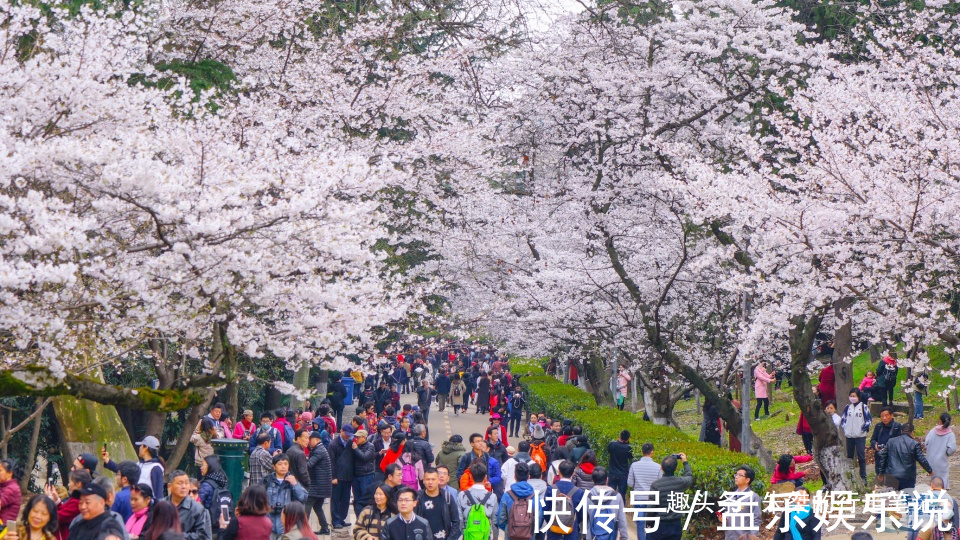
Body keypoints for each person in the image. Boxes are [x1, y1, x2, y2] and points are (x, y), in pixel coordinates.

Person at [103, 436, 166, 500]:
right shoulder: (139, 464)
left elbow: (158, 494)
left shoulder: (156, 468)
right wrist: (107, 461)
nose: (139, 448)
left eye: (141, 446)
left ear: (146, 448)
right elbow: (123, 471)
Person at [648, 453, 693, 540]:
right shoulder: (681, 482)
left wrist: (649, 523)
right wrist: (685, 462)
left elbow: (651, 508)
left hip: (659, 525)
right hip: (675, 524)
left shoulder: (656, 485)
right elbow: (690, 477)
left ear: (661, 468)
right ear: (676, 468)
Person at [877, 423, 932, 490]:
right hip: (907, 477)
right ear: (912, 432)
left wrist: (881, 473)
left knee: (892, 498)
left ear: (901, 431)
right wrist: (930, 470)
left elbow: (883, 458)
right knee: (907, 497)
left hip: (891, 475)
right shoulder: (914, 444)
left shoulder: (891, 441)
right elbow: (921, 459)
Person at [265, 454, 309, 538]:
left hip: (286, 522)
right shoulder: (267, 481)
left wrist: (295, 484)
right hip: (269, 521)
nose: (283, 467)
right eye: (280, 464)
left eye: (285, 464)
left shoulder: (292, 481)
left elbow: (303, 498)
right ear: (274, 466)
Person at [164, 469, 212, 540]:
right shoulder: (160, 505)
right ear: (169, 486)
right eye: (180, 483)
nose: (184, 487)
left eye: (186, 483)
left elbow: (202, 535)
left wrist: (176, 536)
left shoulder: (198, 509)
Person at [627, 443, 661, 540]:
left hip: (639, 498)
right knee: (650, 524)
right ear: (652, 453)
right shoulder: (658, 467)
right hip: (652, 499)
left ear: (642, 452)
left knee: (640, 523)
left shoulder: (634, 465)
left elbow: (630, 483)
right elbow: (660, 484)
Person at [583, 467, 628, 540]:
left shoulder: (587, 496)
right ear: (607, 479)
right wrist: (624, 537)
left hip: (592, 536)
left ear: (593, 480)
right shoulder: (617, 496)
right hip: (611, 536)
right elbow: (622, 520)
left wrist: (584, 536)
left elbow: (584, 519)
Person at [416, 468, 460, 540]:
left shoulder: (447, 496)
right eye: (427, 479)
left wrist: (450, 538)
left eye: (433, 479)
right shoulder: (418, 497)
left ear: (438, 480)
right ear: (423, 480)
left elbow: (456, 521)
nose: (430, 482)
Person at [546, 460, 584, 540]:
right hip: (571, 530)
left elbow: (545, 510)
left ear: (559, 472)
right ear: (573, 474)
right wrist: (574, 522)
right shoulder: (579, 492)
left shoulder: (550, 489)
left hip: (554, 529)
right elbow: (581, 514)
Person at [457, 463, 498, 537]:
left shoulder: (462, 495)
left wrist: (463, 533)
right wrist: (495, 537)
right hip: (485, 535)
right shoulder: (492, 496)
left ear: (471, 477)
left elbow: (459, 519)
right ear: (485, 477)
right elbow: (495, 521)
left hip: (468, 535)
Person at [721, 466, 762, 540]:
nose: (736, 477)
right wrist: (723, 519)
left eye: (740, 475)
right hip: (729, 537)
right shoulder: (730, 496)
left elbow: (756, 519)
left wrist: (751, 537)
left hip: (743, 537)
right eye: (736, 474)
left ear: (747, 480)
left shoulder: (753, 497)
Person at [303, 431, 332, 535]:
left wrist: (302, 460)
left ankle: (303, 529)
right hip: (321, 484)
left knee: (308, 504)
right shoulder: (319, 449)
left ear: (317, 440)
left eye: (310, 439)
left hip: (318, 485)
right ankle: (325, 528)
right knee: (317, 507)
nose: (308, 442)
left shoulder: (318, 450)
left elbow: (309, 465)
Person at [48, 469, 90, 540]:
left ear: (78, 484)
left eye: (70, 481)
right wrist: (57, 500)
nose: (68, 484)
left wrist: (48, 500)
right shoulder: (76, 499)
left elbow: (57, 517)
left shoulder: (78, 502)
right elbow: (65, 511)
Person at [839, 388, 871, 482]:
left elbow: (868, 421)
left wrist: (862, 429)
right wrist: (846, 428)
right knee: (849, 456)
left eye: (854, 396)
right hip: (849, 436)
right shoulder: (847, 407)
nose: (852, 398)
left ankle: (863, 477)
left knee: (861, 456)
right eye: (851, 396)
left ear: (858, 397)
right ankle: (850, 475)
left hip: (860, 436)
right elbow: (843, 419)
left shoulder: (864, 407)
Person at [329, 425, 355, 529]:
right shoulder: (333, 444)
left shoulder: (350, 443)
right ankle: (335, 521)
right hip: (337, 477)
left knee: (345, 499)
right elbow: (331, 462)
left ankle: (342, 518)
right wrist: (333, 477)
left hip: (348, 477)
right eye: (346, 434)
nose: (348, 437)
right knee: (335, 499)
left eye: (349, 435)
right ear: (341, 431)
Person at [197, 455, 228, 538]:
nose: (201, 468)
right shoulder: (222, 481)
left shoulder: (206, 485)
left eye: (203, 465)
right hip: (220, 524)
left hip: (209, 524)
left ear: (210, 466)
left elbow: (197, 503)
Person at [925, 413, 957, 489]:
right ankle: (942, 493)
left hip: (931, 460)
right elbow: (953, 448)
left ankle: (933, 491)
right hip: (942, 461)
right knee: (943, 479)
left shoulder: (932, 431)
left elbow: (926, 443)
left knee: (933, 478)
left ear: (940, 421)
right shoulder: (950, 434)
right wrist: (946, 453)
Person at [870, 406, 902, 475]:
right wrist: (875, 445)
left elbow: (900, 442)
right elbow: (873, 439)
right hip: (880, 456)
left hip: (892, 456)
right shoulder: (878, 426)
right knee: (879, 474)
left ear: (891, 415)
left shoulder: (897, 427)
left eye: (886, 416)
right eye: (882, 416)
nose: (884, 418)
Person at [603, 431, 632, 501]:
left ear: (620, 436)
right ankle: (621, 509)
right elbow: (630, 457)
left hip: (613, 472)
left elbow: (608, 450)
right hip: (623, 474)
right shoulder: (628, 448)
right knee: (622, 494)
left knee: (610, 493)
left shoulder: (612, 445)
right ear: (628, 438)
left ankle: (610, 509)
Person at [0, 458, 22, 525]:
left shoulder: (12, 489)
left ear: (10, 473)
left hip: (4, 530)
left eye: (0, 470)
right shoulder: (4, 486)